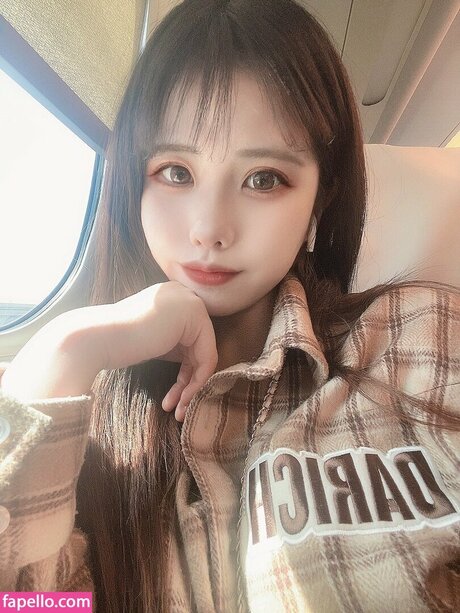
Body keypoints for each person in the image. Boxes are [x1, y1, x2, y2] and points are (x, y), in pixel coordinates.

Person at [0, 0, 459, 611]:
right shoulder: (73, 414)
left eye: (263, 178)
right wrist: (65, 350)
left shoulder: (419, 336)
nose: (210, 230)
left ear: (320, 199)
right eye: (175, 171)